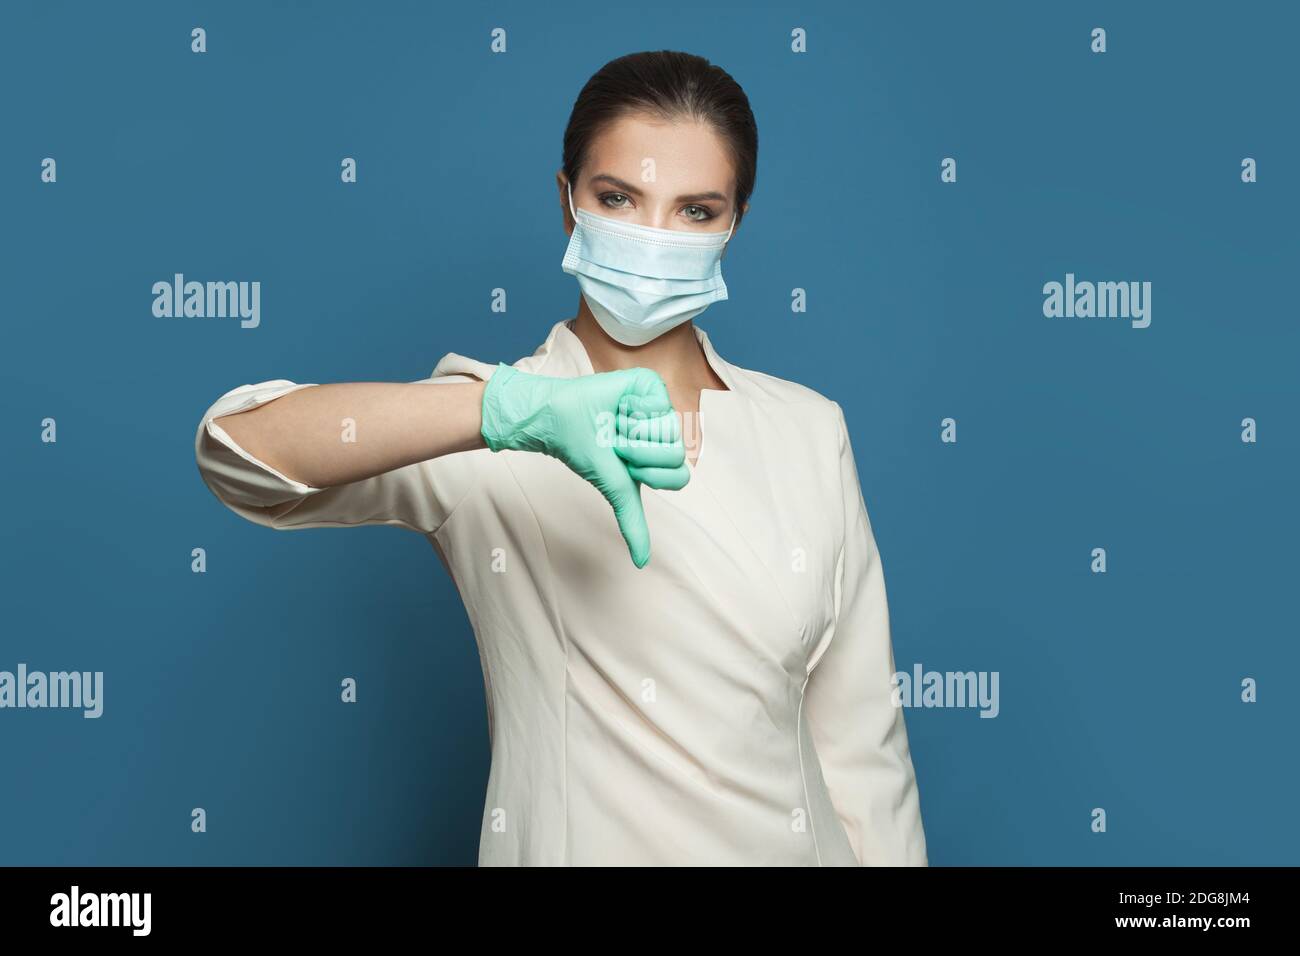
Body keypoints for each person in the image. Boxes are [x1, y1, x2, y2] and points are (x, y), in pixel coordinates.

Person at [194, 50, 927, 866]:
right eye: (619, 198)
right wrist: (506, 411)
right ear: (568, 201)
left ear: (735, 223)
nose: (652, 237)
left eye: (694, 210)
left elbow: (866, 756)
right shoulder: (491, 428)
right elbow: (236, 450)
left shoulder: (807, 430)